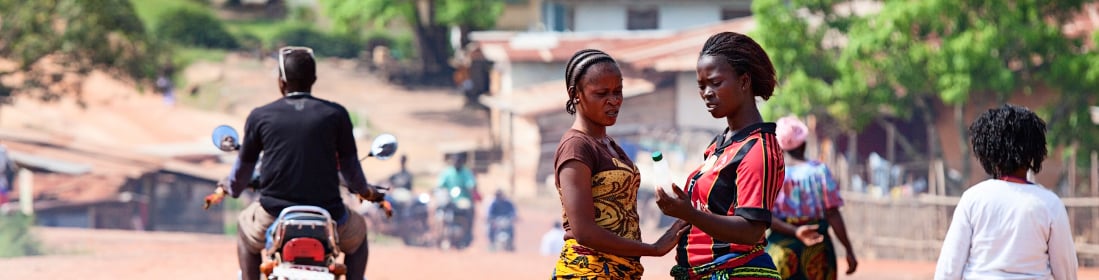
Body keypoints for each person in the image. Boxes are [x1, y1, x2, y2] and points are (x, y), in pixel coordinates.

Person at [207, 46, 384, 280]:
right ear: (314, 80)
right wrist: (366, 191)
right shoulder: (336, 114)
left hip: (272, 213)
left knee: (244, 230)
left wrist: (231, 187)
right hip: (329, 213)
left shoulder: (260, 116)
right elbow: (351, 169)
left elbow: (242, 171)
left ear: (282, 82)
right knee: (358, 236)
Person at [654, 31, 785, 279]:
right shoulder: (720, 144)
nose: (706, 92)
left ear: (744, 82)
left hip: (738, 272)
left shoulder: (758, 150)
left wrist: (689, 213)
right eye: (702, 86)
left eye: (715, 83)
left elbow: (750, 230)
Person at [552, 49, 688, 280]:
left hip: (620, 272)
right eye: (602, 93)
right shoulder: (577, 146)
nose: (614, 101)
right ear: (575, 94)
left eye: (618, 92)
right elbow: (584, 232)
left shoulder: (608, 144)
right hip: (588, 272)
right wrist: (654, 249)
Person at [935, 104, 1078, 280]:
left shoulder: (973, 199)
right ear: (1033, 153)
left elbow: (948, 268)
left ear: (988, 153)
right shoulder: (1050, 204)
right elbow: (1066, 272)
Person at [766, 116, 856, 279]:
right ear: (804, 143)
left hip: (780, 253)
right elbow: (833, 214)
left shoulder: (773, 173)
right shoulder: (819, 171)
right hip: (817, 252)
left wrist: (795, 230)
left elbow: (765, 216)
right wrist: (849, 250)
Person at [436, 152, 479, 245]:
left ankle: (468, 233)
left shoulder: (466, 172)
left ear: (462, 162)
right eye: (454, 160)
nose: (456, 162)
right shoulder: (447, 172)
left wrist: (471, 190)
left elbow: (471, 184)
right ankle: (439, 235)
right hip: (449, 199)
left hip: (462, 199)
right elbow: (440, 185)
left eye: (458, 161)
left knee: (469, 209)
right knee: (439, 211)